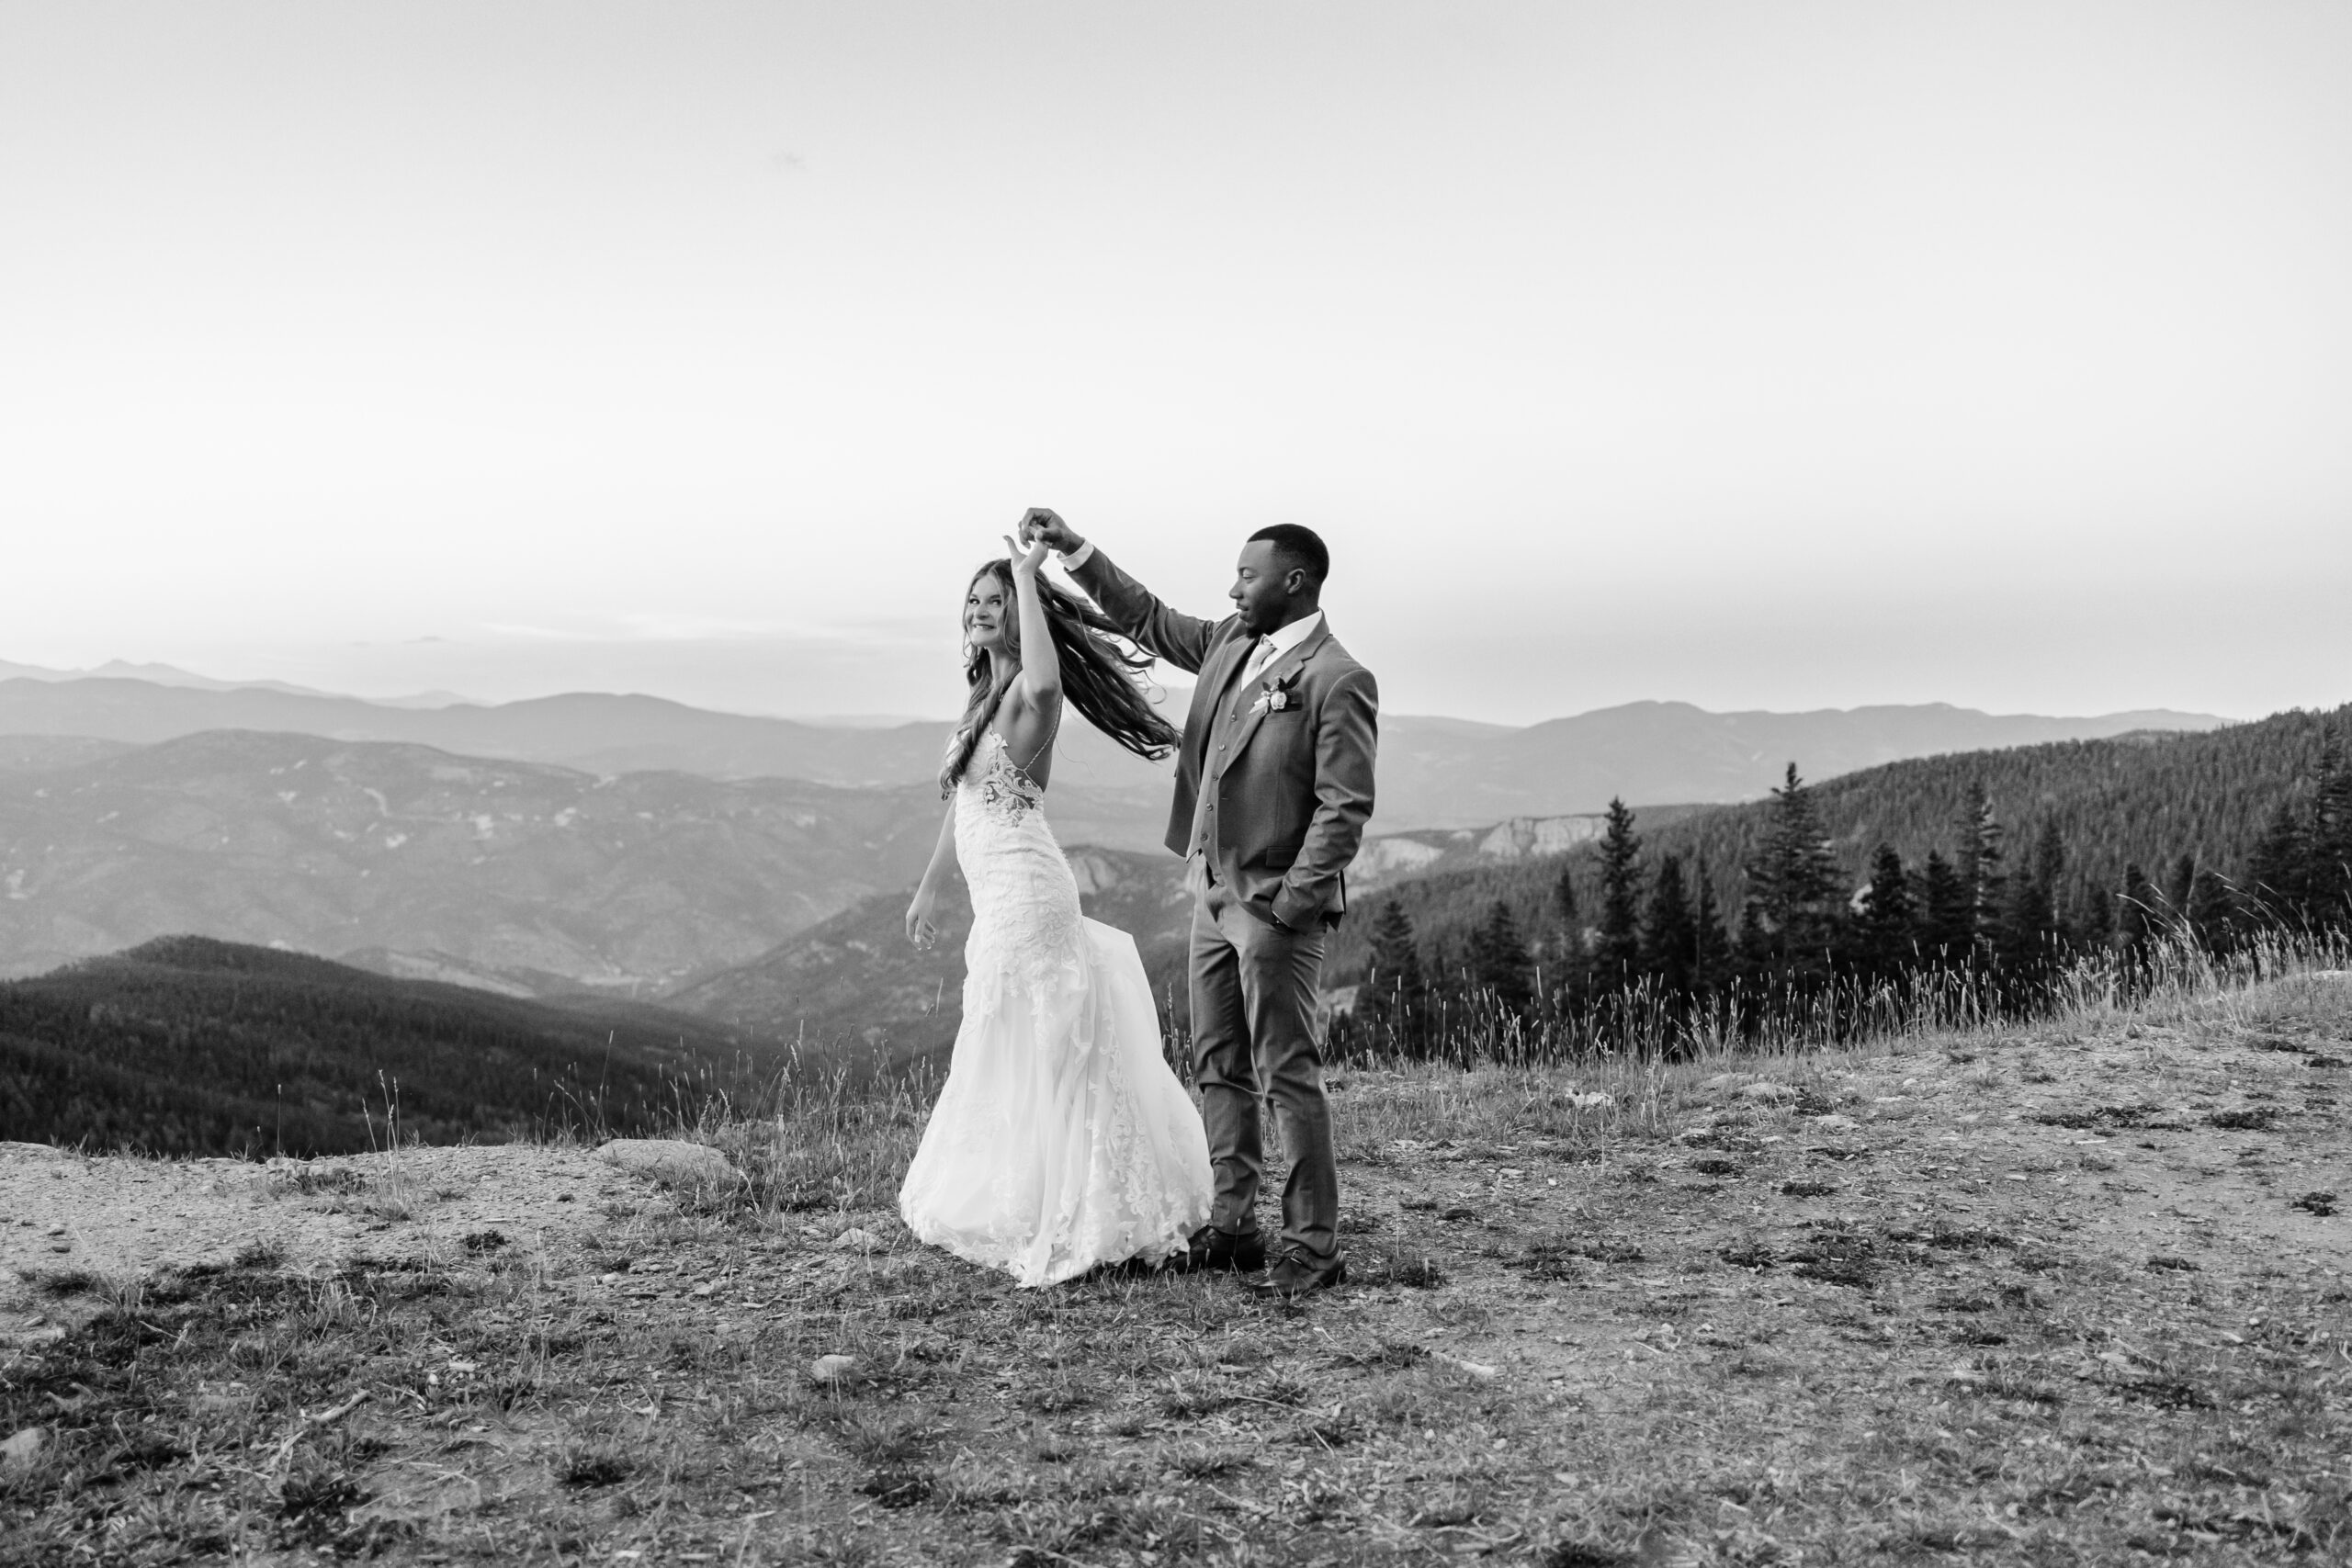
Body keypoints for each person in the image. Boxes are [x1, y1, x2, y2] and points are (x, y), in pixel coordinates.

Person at [1019, 508, 1376, 1301]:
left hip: (1275, 909)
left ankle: (1314, 1248)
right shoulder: (1228, 642)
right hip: (1210, 892)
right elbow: (1144, 616)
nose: (1233, 586)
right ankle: (1236, 1227)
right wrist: (1074, 548)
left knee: (1288, 1072)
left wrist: (1287, 906)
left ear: (1297, 581)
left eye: (1247, 575)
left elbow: (1344, 807)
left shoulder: (1336, 677)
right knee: (1220, 1063)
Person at [897, 532, 1213, 1287]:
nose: (979, 610)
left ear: (1018, 616)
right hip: (994, 888)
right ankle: (1025, 1181)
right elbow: (965, 804)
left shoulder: (1031, 697)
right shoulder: (984, 695)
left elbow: (1048, 679)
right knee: (1006, 1025)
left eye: (994, 602)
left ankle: (1080, 1199)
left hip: (1029, 892)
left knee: (1047, 1032)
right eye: (974, 600)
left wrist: (1029, 577)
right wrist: (930, 883)